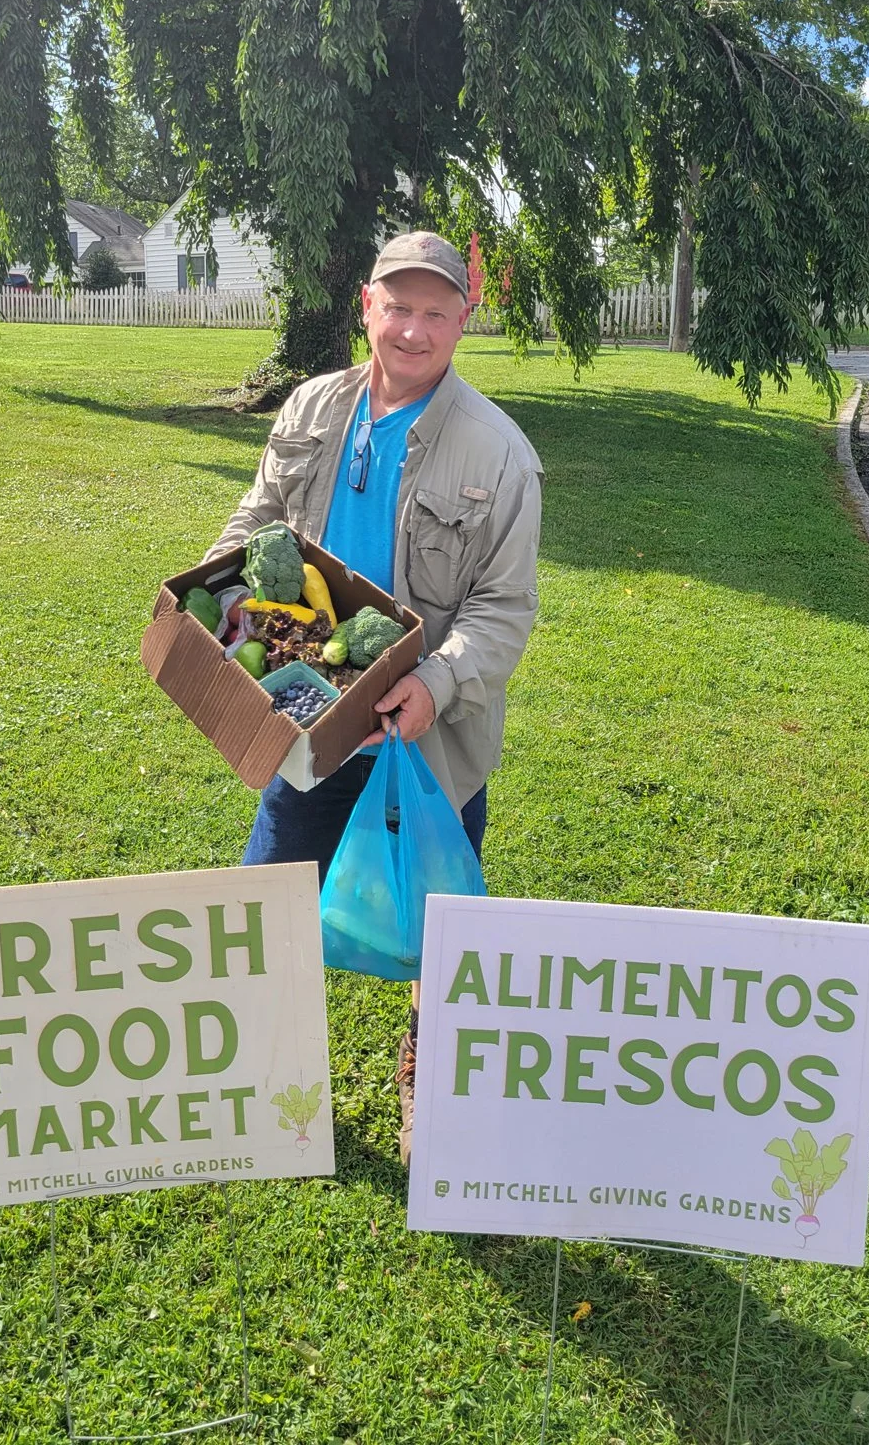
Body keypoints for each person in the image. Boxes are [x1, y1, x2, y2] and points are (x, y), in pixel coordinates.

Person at [206, 230, 543, 1163]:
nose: (413, 329)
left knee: (438, 934)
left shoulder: (499, 452)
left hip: (422, 741)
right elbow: (258, 518)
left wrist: (436, 683)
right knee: (267, 904)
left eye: (436, 311)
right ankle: (271, 1076)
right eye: (397, 306)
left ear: (464, 320)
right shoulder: (314, 405)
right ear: (366, 306)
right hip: (307, 721)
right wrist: (213, 587)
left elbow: (504, 611)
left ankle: (427, 1081)